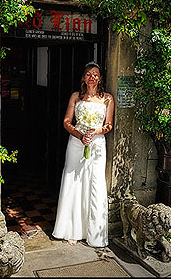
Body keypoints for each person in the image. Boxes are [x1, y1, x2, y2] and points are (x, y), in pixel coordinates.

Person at [52, 61, 114, 248]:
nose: (92, 77)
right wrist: (80, 135)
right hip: (76, 143)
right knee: (74, 182)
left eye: (95, 74)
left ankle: (93, 232)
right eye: (88, 74)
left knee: (95, 183)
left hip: (96, 144)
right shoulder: (76, 97)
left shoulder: (107, 99)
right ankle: (72, 230)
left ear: (100, 78)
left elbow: (109, 125)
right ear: (84, 78)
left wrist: (95, 132)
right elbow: (66, 121)